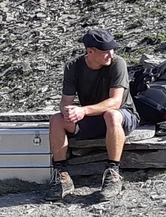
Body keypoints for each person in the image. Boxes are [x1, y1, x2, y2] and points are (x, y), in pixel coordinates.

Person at [46, 28, 139, 201]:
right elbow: (65, 101)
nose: (110, 55)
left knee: (111, 115)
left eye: (112, 50)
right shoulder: (73, 67)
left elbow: (115, 102)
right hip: (92, 117)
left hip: (122, 116)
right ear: (90, 51)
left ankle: (113, 173)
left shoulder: (118, 64)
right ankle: (62, 176)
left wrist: (83, 110)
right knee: (57, 120)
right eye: (105, 52)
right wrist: (68, 111)